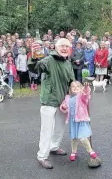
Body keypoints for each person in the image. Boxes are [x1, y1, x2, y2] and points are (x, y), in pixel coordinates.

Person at [28, 38, 75, 169]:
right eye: (62, 46)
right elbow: (35, 68)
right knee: (46, 130)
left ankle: (54, 147)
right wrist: (33, 56)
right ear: (55, 47)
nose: (65, 48)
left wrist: (81, 90)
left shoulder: (68, 64)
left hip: (63, 102)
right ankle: (42, 156)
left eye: (67, 46)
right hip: (49, 100)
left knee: (59, 127)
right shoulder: (49, 60)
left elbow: (72, 82)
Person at [60, 81, 102, 167]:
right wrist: (63, 107)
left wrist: (86, 88)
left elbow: (85, 95)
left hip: (81, 120)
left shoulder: (81, 97)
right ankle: (73, 151)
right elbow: (63, 106)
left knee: (82, 137)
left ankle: (90, 151)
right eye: (73, 87)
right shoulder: (67, 98)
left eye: (78, 87)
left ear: (81, 88)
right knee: (74, 137)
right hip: (73, 122)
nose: (75, 88)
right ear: (70, 89)